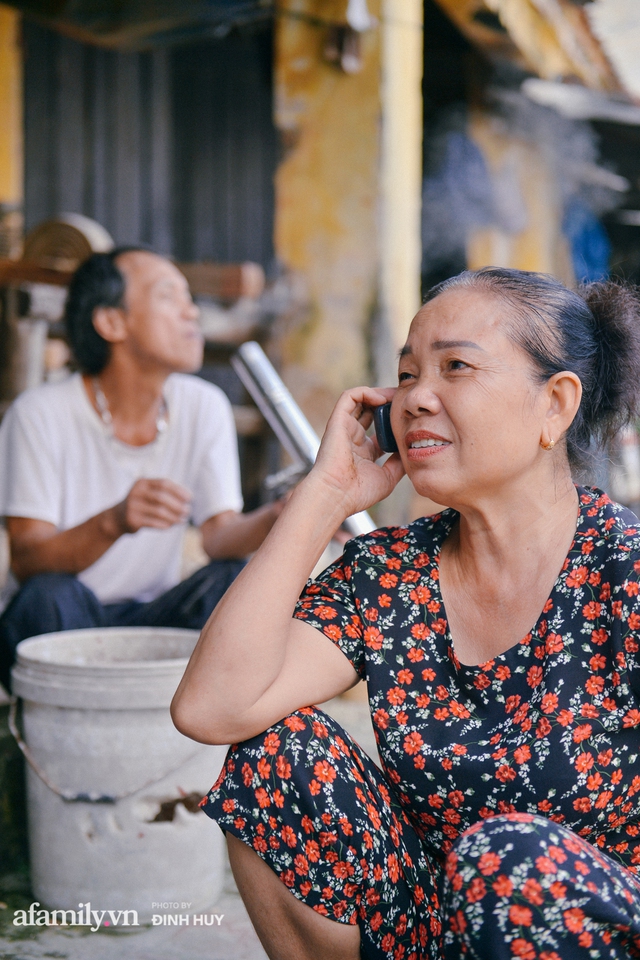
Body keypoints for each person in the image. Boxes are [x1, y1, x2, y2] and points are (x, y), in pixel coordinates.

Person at [171, 267, 640, 959]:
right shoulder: (391, 575)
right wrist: (326, 494)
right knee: (275, 753)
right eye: (407, 373)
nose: (417, 396)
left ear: (555, 404)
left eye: (456, 367)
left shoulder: (625, 572)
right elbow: (211, 709)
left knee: (509, 861)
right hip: (436, 927)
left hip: (589, 929)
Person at [0, 248, 283, 692]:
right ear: (111, 322)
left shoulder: (203, 406)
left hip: (152, 618)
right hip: (67, 621)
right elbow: (27, 559)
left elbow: (218, 537)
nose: (192, 312)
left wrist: (279, 515)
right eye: (169, 297)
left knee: (231, 583)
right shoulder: (39, 414)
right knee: (49, 595)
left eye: (190, 298)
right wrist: (114, 521)